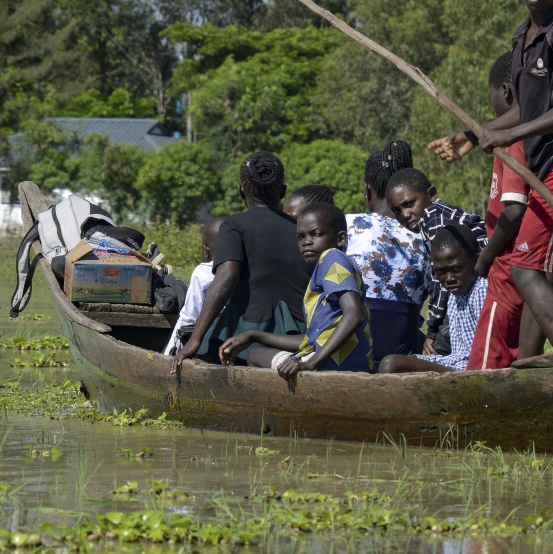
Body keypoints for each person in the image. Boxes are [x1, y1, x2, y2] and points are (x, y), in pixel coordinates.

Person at [429, 0, 553, 356]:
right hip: (546, 168)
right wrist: (475, 135)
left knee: (526, 269)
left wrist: (510, 136)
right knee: (538, 273)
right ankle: (528, 370)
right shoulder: (523, 37)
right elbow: (526, 107)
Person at [171, 152, 307, 372]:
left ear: (240, 190)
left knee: (211, 349)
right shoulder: (301, 229)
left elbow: (227, 277)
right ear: (282, 191)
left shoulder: (235, 225)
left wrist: (196, 338)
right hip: (297, 335)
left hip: (247, 332)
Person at [219, 202, 372, 378]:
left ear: (340, 238)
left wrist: (310, 363)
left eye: (316, 234)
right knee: (256, 353)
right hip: (334, 361)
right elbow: (311, 340)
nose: (306, 242)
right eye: (300, 237)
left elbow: (354, 314)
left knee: (256, 356)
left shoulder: (332, 257)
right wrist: (253, 335)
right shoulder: (325, 269)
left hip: (336, 365)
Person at [469, 52, 528, 370]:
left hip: (505, 265)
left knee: (487, 355)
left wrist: (485, 257)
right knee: (509, 349)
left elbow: (514, 211)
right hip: (512, 264)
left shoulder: (512, 142)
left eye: (490, 95)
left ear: (504, 91)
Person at [384, 167, 486, 351]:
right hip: (478, 284)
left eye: (409, 204)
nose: (405, 215)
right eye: (397, 211)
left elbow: (440, 283)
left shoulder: (433, 220)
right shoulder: (443, 214)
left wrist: (432, 331)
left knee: (437, 351)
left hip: (480, 286)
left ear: (431, 194)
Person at [344, 142, 430, 359]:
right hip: (405, 354)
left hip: (349, 353)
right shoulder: (428, 236)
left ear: (367, 191)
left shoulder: (346, 227)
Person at [378, 225, 486, 374]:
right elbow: (457, 353)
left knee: (392, 364)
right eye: (441, 272)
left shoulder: (481, 290)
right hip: (456, 361)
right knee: (393, 361)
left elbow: (480, 357)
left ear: (476, 260)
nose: (449, 278)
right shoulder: (457, 294)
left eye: (456, 269)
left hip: (472, 370)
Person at [163, 216, 225, 356]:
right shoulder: (246, 270)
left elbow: (188, 317)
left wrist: (168, 354)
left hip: (209, 345)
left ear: (206, 250)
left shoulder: (203, 272)